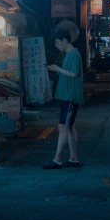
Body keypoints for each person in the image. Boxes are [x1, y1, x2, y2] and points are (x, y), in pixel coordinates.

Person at [43, 28, 84, 169]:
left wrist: (57, 68)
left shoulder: (72, 54)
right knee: (70, 126)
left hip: (70, 96)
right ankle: (73, 158)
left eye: (57, 42)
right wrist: (55, 70)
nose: (56, 45)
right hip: (68, 95)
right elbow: (69, 74)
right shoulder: (70, 54)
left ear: (65, 41)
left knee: (63, 126)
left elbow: (73, 74)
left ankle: (57, 159)